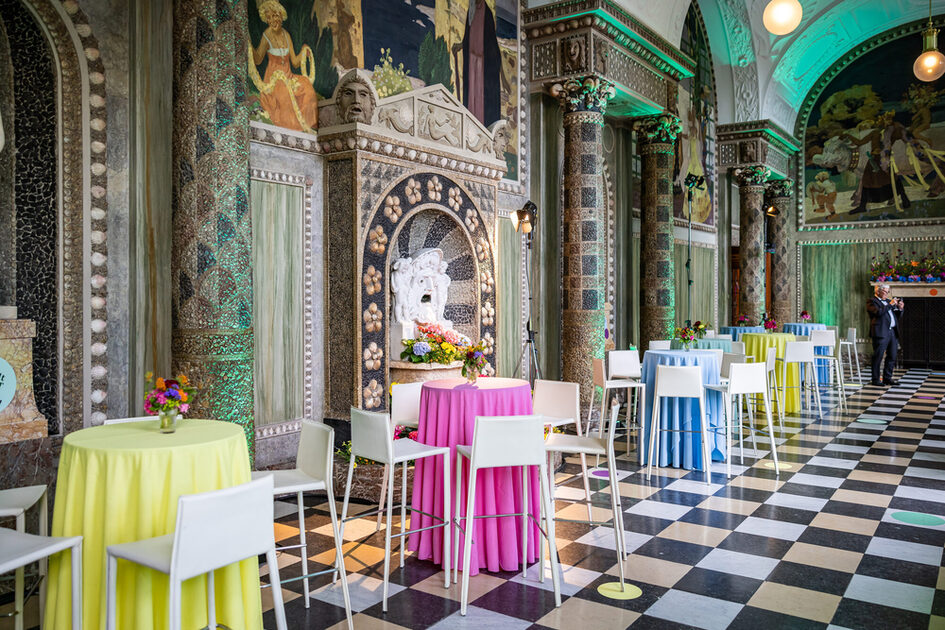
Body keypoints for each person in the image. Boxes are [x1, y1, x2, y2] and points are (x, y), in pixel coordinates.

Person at [252, 0, 319, 132]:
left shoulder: (286, 35)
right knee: (285, 95)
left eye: (275, 16)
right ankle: (292, 128)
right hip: (274, 80)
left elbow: (294, 62)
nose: (272, 20)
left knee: (307, 87)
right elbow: (258, 59)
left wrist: (304, 51)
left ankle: (310, 124)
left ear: (281, 16)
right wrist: (248, 46)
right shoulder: (267, 35)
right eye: (269, 17)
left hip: (289, 76)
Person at [866, 283, 904, 386]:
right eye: (885, 291)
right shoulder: (871, 301)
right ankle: (876, 379)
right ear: (878, 291)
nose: (887, 294)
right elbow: (878, 313)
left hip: (892, 332)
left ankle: (887, 378)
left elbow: (895, 316)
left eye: (888, 292)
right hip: (881, 332)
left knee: (892, 355)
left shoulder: (888, 302)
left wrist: (900, 309)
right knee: (878, 356)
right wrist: (890, 305)